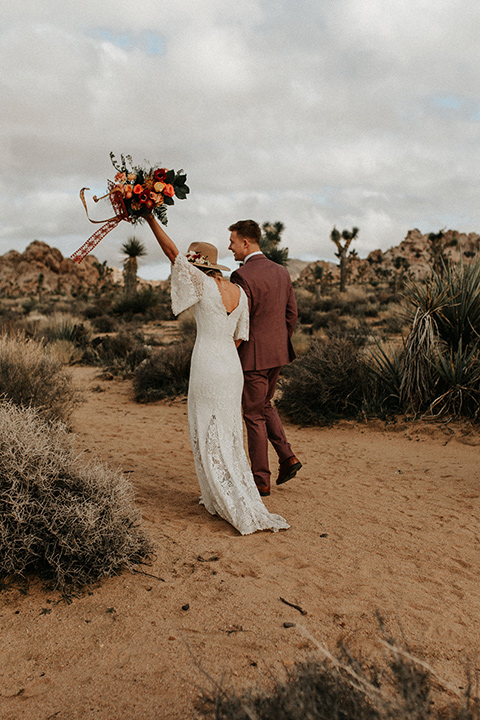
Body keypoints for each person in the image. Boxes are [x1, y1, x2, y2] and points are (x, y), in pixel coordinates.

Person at [145, 214, 289, 535]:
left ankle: (221, 494)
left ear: (196, 266)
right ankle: (233, 489)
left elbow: (171, 254)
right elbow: (240, 337)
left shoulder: (201, 284)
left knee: (206, 427)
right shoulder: (240, 293)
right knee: (228, 430)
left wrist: (149, 218)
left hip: (208, 362)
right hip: (231, 364)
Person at [228, 220, 302, 497]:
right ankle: (288, 458)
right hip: (277, 354)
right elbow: (291, 315)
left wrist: (233, 349)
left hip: (253, 357)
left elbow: (240, 321)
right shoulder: (282, 272)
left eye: (233, 241)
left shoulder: (241, 276)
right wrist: (279, 343)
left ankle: (261, 480)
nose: (230, 247)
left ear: (246, 243)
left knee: (252, 415)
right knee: (264, 405)